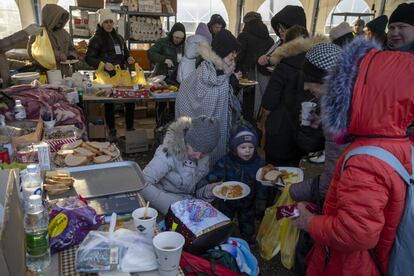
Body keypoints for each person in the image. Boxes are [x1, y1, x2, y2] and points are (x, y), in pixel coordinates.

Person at [292, 36, 414, 275]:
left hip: (351, 264)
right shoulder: (396, 138)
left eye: (312, 83)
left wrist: (309, 222)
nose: (307, 89)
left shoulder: (365, 160)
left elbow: (355, 232)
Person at [287, 43, 344, 276]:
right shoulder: (346, 102)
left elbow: (331, 182)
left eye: (311, 79)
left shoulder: (338, 114)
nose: (306, 86)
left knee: (314, 251)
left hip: (340, 204)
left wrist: (294, 190)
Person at [261, 29, 329, 167]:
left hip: (280, 130)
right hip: (306, 134)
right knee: (295, 174)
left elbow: (269, 102)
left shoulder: (284, 65)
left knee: (273, 174)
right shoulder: (319, 62)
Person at [175, 29, 242, 165]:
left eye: (234, 56)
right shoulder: (207, 73)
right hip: (199, 128)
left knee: (210, 159)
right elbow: (205, 100)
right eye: (231, 55)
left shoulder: (218, 71)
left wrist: (232, 81)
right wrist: (232, 81)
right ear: (222, 52)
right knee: (202, 155)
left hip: (212, 127)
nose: (233, 58)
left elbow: (221, 95)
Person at [141, 116, 220, 215]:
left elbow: (195, 190)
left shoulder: (204, 158)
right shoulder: (167, 153)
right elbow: (142, 185)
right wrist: (175, 207)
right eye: (195, 150)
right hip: (161, 208)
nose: (199, 156)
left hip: (187, 206)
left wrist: (208, 191)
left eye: (204, 153)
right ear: (187, 141)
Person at [201, 123, 264, 245]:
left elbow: (262, 184)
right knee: (224, 220)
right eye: (243, 147)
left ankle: (248, 238)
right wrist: (209, 180)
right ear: (235, 148)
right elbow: (217, 172)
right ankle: (223, 239)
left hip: (248, 201)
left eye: (251, 147)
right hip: (227, 200)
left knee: (247, 222)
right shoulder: (227, 160)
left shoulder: (258, 163)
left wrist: (260, 201)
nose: (247, 151)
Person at [85, 8, 136, 141]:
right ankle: (112, 130)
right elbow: (89, 58)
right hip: (106, 76)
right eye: (106, 22)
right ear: (101, 23)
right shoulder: (96, 39)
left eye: (111, 22)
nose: (109, 24)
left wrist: (128, 58)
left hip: (122, 75)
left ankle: (130, 128)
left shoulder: (119, 37)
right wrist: (103, 64)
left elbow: (125, 52)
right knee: (110, 103)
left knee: (129, 100)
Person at [237, 11, 274, 119]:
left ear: (246, 22)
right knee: (259, 104)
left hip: (246, 76)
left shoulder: (243, 36)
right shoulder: (270, 39)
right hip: (265, 77)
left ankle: (245, 129)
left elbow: (238, 56)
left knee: (246, 107)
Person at [147, 22, 186, 126]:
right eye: (176, 37)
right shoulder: (162, 42)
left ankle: (171, 127)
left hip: (176, 78)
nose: (178, 40)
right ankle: (160, 126)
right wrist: (164, 59)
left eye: (180, 38)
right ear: (172, 34)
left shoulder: (183, 46)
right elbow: (150, 53)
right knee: (161, 103)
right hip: (162, 76)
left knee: (175, 103)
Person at [27, 4, 77, 76]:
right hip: (45, 73)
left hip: (65, 73)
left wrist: (71, 56)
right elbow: (33, 53)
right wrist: (58, 55)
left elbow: (71, 49)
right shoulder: (37, 33)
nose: (60, 22)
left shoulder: (65, 34)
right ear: (50, 17)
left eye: (62, 19)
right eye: (58, 19)